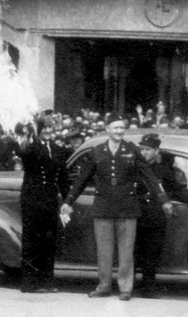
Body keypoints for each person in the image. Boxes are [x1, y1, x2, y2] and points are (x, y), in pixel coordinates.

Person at [61, 113, 171, 300]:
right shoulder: (97, 151)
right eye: (116, 128)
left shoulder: (132, 150)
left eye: (122, 128)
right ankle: (104, 286)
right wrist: (68, 201)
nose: (119, 131)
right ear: (108, 129)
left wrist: (164, 199)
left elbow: (148, 175)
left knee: (126, 251)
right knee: (104, 251)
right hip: (103, 207)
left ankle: (125, 288)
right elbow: (82, 179)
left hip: (127, 208)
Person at [135, 133, 188, 297]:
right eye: (142, 149)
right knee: (132, 252)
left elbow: (178, 190)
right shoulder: (134, 168)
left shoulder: (163, 170)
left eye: (148, 150)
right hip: (136, 214)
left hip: (155, 216)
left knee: (152, 253)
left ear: (156, 151)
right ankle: (127, 286)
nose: (144, 153)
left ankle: (148, 288)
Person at [16, 116, 70, 293]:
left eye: (50, 128)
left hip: (50, 200)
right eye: (44, 128)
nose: (47, 131)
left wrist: (68, 200)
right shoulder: (31, 148)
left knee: (49, 240)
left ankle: (47, 281)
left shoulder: (58, 150)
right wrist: (29, 134)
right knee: (31, 240)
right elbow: (24, 155)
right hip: (32, 200)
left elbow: (63, 178)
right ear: (38, 130)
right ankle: (29, 283)